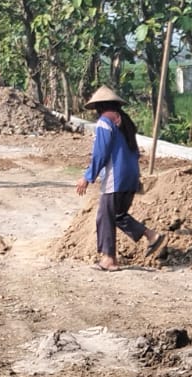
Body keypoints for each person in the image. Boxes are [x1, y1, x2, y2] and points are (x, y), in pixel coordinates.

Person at [75, 86, 161, 272]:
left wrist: (87, 177)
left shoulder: (105, 122)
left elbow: (101, 153)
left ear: (99, 106)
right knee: (118, 215)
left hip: (116, 177)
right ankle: (151, 235)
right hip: (131, 176)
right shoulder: (125, 122)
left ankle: (109, 259)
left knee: (105, 216)